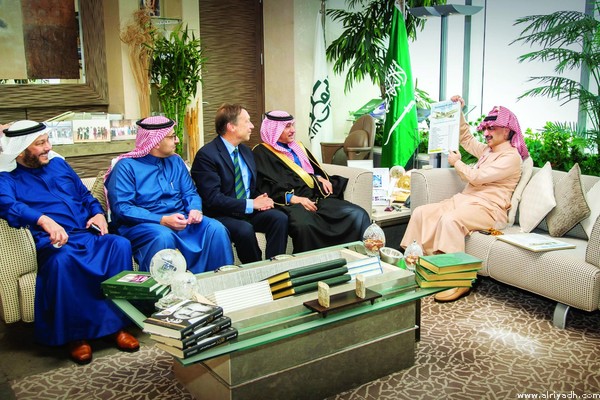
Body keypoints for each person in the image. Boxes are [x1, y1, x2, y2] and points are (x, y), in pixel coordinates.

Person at [0, 120, 139, 365]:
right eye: (40, 143)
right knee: (62, 260)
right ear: (21, 150)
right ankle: (75, 337)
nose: (48, 147)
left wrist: (97, 213)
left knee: (119, 245)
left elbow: (85, 195)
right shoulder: (7, 178)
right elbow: (8, 205)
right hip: (53, 241)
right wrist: (43, 219)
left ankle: (117, 326)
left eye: (47, 141)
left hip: (86, 233)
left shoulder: (59, 165)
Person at [401, 95, 529, 302]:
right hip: (465, 201)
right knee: (421, 212)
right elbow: (467, 139)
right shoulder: (488, 151)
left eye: (491, 129)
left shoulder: (511, 157)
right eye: (485, 129)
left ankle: (460, 281)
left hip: (489, 209)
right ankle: (418, 264)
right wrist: (458, 111)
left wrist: (457, 163)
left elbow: (476, 177)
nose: (486, 133)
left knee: (450, 220)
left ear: (506, 130)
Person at [105, 116, 233, 273]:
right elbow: (122, 208)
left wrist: (194, 209)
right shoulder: (126, 167)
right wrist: (162, 220)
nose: (177, 140)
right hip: (142, 225)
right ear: (156, 142)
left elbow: (190, 192)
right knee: (163, 236)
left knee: (216, 228)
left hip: (181, 220)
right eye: (172, 136)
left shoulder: (176, 162)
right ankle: (162, 288)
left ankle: (219, 281)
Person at [252, 110, 371, 253]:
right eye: (287, 126)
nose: (293, 130)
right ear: (274, 129)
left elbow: (310, 171)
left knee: (357, 214)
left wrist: (319, 177)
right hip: (290, 203)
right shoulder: (261, 152)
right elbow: (264, 186)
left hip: (315, 196)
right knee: (305, 226)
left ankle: (354, 258)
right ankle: (315, 265)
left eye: (292, 125)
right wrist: (293, 198)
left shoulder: (297, 147)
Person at [191, 104, 288, 264]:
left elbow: (250, 187)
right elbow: (212, 199)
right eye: (247, 121)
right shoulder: (207, 155)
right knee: (244, 229)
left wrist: (261, 200)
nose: (252, 126)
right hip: (221, 214)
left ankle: (276, 266)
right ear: (232, 127)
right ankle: (256, 270)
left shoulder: (246, 152)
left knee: (279, 218)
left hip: (247, 211)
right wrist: (251, 204)